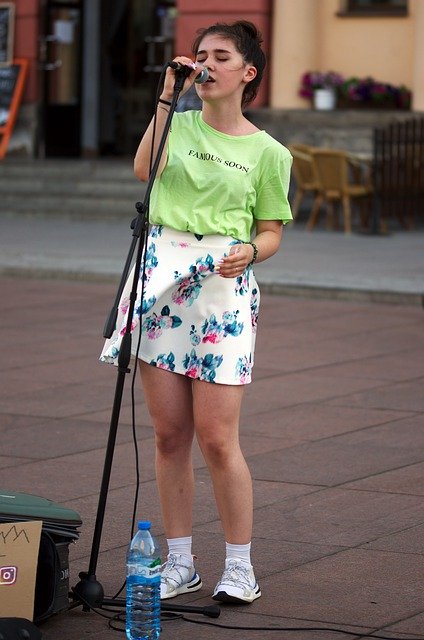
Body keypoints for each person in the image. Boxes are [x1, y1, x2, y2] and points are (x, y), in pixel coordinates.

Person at [101, 20, 292, 604]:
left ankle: (240, 565)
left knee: (216, 437)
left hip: (222, 292)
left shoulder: (268, 152)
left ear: (247, 71)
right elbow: (143, 171)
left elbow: (271, 232)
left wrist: (250, 252)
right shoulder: (176, 125)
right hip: (159, 280)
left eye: (220, 56)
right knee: (167, 435)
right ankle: (179, 560)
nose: (205, 64)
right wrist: (168, 93)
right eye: (199, 55)